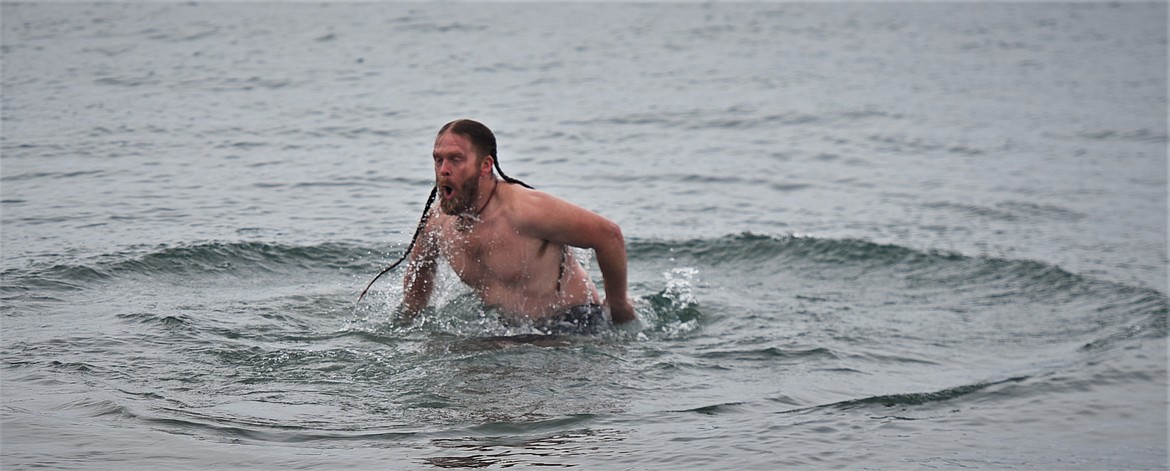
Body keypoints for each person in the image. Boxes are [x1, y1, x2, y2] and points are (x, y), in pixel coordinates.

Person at [393, 119, 635, 332]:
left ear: (485, 165)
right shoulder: (436, 224)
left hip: (574, 325)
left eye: (456, 160)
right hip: (509, 332)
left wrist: (618, 307)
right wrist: (404, 325)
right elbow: (418, 284)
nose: (444, 170)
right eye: (438, 160)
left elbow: (609, 235)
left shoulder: (525, 210)